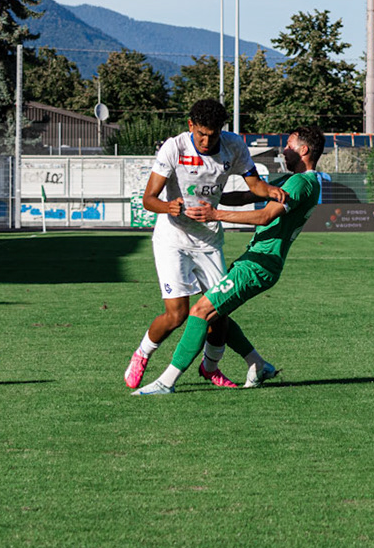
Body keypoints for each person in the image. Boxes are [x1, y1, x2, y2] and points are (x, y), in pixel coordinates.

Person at [133, 125, 324, 395]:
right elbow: (248, 195)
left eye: (290, 144)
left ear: (304, 150)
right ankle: (258, 364)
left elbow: (264, 216)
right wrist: (207, 194)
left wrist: (215, 214)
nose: (284, 149)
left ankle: (166, 382)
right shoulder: (298, 181)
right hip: (257, 261)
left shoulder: (301, 183)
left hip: (258, 266)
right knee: (217, 312)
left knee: (200, 311)